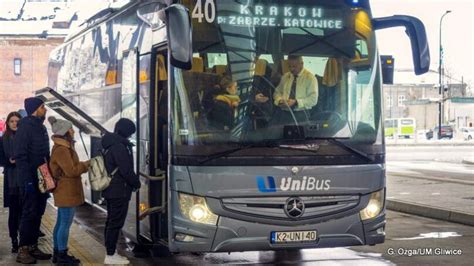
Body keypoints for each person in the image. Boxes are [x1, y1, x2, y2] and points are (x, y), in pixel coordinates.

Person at [14, 97, 52, 264]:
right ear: (36, 108)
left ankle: (32, 246)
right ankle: (23, 250)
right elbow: (21, 156)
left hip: (42, 176)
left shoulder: (41, 127)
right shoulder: (25, 128)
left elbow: (45, 154)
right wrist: (27, 181)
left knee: (38, 212)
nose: (46, 110)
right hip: (30, 177)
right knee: (29, 213)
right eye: (43, 107)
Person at [49, 116, 90, 264]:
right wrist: (87, 164)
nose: (73, 131)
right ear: (66, 131)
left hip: (66, 190)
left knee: (61, 222)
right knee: (65, 224)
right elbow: (71, 170)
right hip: (66, 191)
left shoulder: (64, 147)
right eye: (71, 128)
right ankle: (61, 255)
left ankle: (57, 253)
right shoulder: (62, 150)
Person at [101, 118, 141, 265]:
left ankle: (110, 252)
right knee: (115, 223)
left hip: (111, 189)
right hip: (119, 190)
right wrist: (136, 183)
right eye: (130, 133)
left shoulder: (110, 143)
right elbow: (126, 170)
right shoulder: (119, 146)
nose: (130, 136)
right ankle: (110, 255)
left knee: (111, 221)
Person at [273, 55, 318, 125]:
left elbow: (313, 100)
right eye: (289, 66)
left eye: (294, 66)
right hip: (284, 114)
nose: (291, 69)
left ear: (302, 64)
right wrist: (280, 100)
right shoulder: (285, 77)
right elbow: (277, 92)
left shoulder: (310, 78)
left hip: (301, 115)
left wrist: (296, 102)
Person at [2, 112, 22, 253]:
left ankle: (24, 241)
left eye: (17, 121)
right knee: (14, 212)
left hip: (25, 180)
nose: (15, 123)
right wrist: (8, 162)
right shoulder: (3, 139)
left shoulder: (25, 138)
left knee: (24, 213)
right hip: (11, 181)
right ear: (8, 123)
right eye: (12, 121)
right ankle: (14, 240)